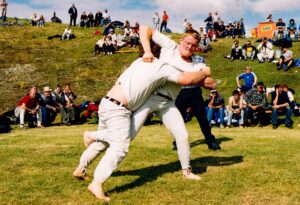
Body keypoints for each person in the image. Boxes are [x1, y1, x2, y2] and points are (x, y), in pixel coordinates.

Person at [74, 51, 212, 201]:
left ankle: (81, 168)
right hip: (139, 102)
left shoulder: (142, 62)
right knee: (123, 139)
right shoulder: (162, 65)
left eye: (192, 45)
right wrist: (203, 72)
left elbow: (211, 84)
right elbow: (187, 79)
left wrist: (199, 73)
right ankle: (92, 149)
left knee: (182, 135)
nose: (188, 48)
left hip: (159, 102)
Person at [175, 55, 220, 150]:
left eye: (193, 45)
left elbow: (206, 78)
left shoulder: (200, 59)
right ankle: (177, 141)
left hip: (195, 91)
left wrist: (195, 79)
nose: (190, 47)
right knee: (179, 118)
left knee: (202, 117)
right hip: (180, 92)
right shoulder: (176, 58)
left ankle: (210, 141)